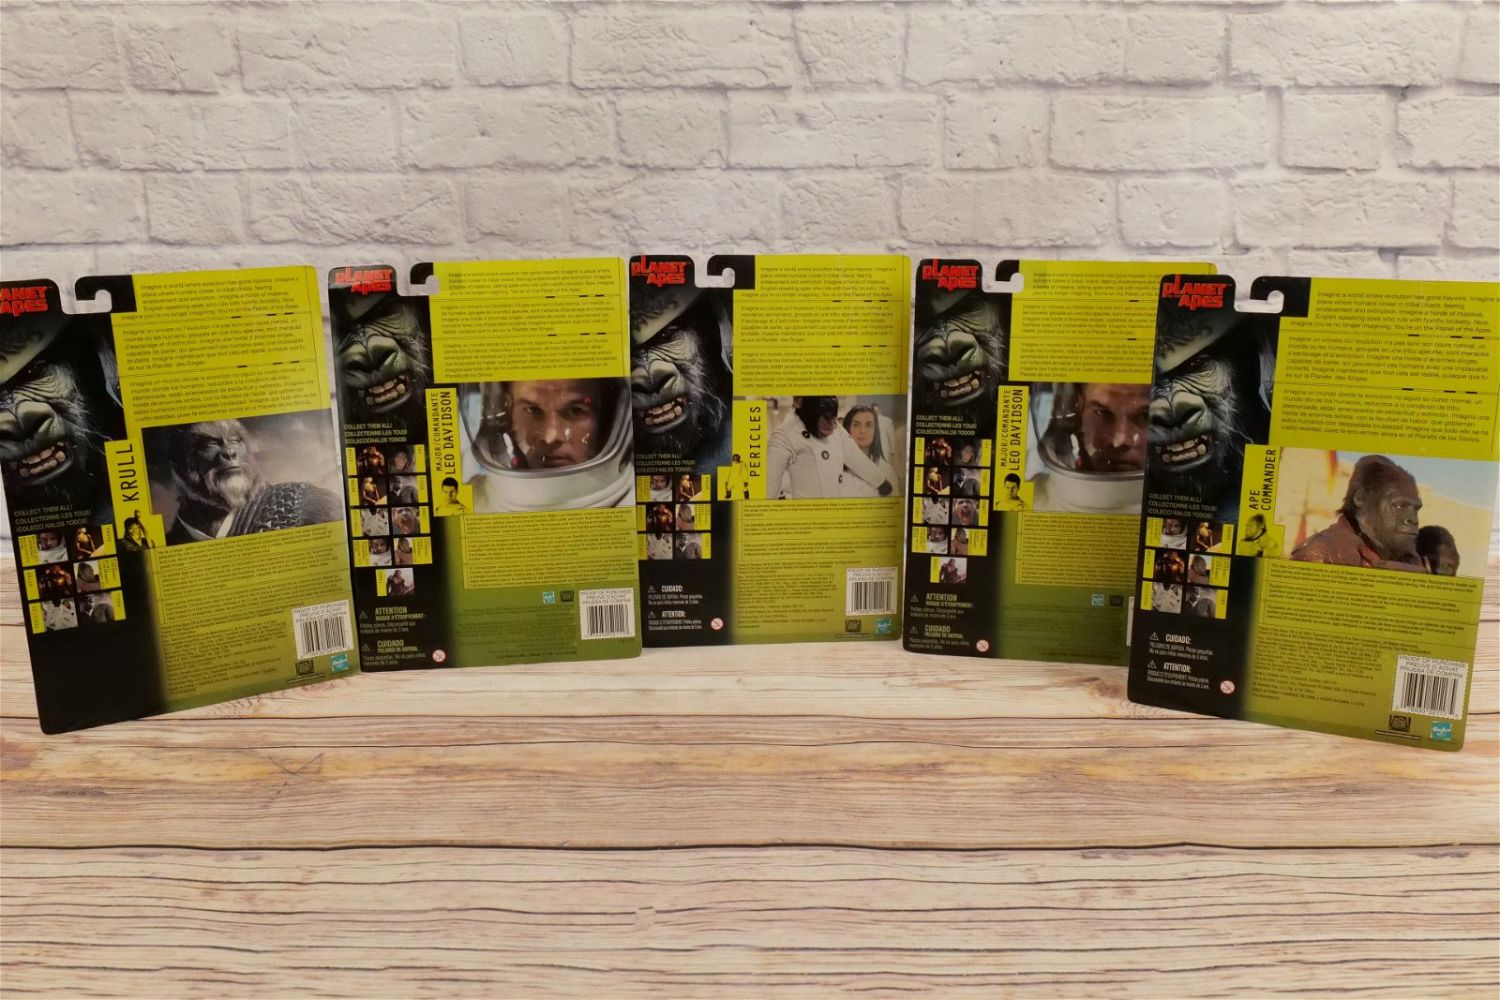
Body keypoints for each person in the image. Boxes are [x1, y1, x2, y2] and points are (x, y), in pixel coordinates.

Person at [154, 419, 341, 545]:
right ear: (179, 462)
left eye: (236, 441)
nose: (229, 452)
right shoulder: (167, 543)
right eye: (210, 444)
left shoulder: (303, 503)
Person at [463, 378, 633, 512]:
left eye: (575, 411)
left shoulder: (638, 508)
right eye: (532, 410)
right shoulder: (466, 504)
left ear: (608, 419)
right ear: (507, 416)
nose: (550, 437)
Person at [1029, 382, 1150, 514]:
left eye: (1145, 416)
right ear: (1077, 415)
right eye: (1102, 413)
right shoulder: (1028, 502)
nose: (1119, 441)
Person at [1291, 455, 1425, 572]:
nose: (1414, 520)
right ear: (1361, 498)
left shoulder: (1410, 557)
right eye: (1399, 506)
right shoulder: (1322, 555)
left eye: (1416, 509)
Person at [764, 397, 894, 500]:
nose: (831, 425)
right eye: (826, 418)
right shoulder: (785, 435)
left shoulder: (836, 429)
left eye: (832, 418)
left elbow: (855, 457)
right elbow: (770, 483)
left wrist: (880, 482)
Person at [841, 405, 898, 499]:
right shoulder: (835, 467)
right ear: (848, 429)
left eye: (868, 425)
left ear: (876, 431)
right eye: (856, 425)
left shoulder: (886, 470)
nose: (862, 431)